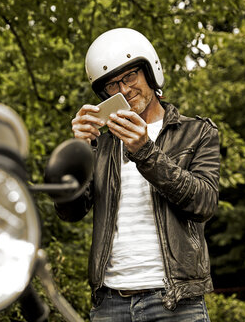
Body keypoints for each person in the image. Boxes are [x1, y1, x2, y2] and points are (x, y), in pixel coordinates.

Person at [54, 28, 220, 321]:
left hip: (175, 301)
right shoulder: (101, 146)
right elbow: (70, 212)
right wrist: (79, 153)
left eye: (130, 76)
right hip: (109, 303)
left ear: (150, 71)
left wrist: (145, 150)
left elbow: (204, 203)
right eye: (112, 85)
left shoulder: (197, 132)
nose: (124, 90)